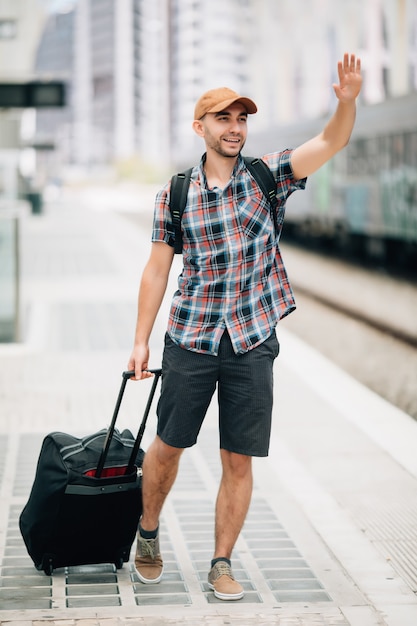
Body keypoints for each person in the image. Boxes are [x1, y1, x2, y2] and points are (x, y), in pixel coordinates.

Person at [128, 52, 362, 601]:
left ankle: (221, 561)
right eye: (224, 119)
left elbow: (330, 143)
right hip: (191, 336)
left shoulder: (267, 175)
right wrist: (140, 340)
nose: (235, 129)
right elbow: (158, 266)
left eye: (242, 119)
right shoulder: (176, 192)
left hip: (253, 339)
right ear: (200, 127)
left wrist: (345, 104)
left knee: (240, 456)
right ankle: (147, 535)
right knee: (168, 446)